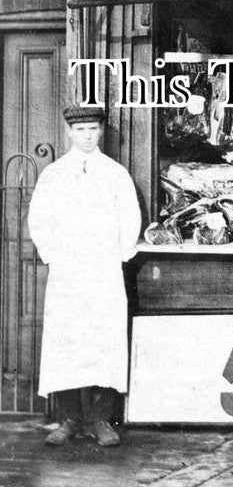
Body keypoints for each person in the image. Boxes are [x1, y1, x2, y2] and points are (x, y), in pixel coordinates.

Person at [29, 105, 142, 447]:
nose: (88, 136)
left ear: (101, 131)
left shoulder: (116, 174)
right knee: (67, 341)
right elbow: (39, 220)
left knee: (104, 340)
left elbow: (130, 217)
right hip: (67, 273)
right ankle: (69, 419)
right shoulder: (54, 174)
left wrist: (119, 256)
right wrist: (54, 256)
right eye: (81, 130)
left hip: (104, 271)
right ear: (70, 133)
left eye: (93, 129)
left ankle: (102, 420)